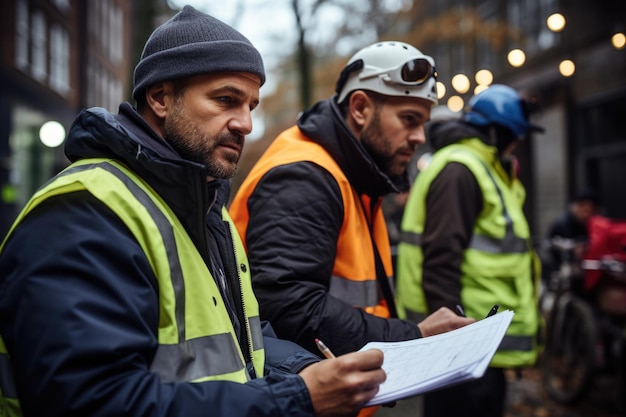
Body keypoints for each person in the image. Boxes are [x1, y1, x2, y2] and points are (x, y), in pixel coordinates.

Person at [0, 6, 388, 417]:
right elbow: (92, 401)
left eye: (251, 106)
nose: (245, 124)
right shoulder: (84, 212)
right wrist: (295, 398)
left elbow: (244, 344)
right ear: (161, 97)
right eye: (225, 100)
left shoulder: (205, 207)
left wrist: (309, 371)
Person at [229, 40, 474, 414]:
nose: (420, 137)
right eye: (409, 119)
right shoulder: (306, 175)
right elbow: (290, 305)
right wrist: (415, 336)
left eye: (423, 123)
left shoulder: (351, 176)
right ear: (360, 108)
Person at [395, 84, 544, 417]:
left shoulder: (481, 166)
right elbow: (441, 258)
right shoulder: (461, 169)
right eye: (512, 136)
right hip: (466, 346)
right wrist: (454, 346)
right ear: (496, 132)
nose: (516, 144)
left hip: (479, 341)